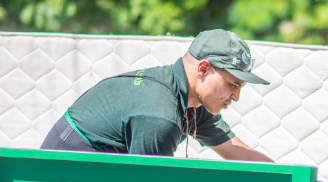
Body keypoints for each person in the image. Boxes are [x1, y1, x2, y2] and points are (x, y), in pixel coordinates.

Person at [41, 29, 272, 161]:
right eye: (233, 85)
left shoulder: (193, 102)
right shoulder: (159, 116)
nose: (236, 97)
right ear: (202, 69)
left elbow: (238, 152)